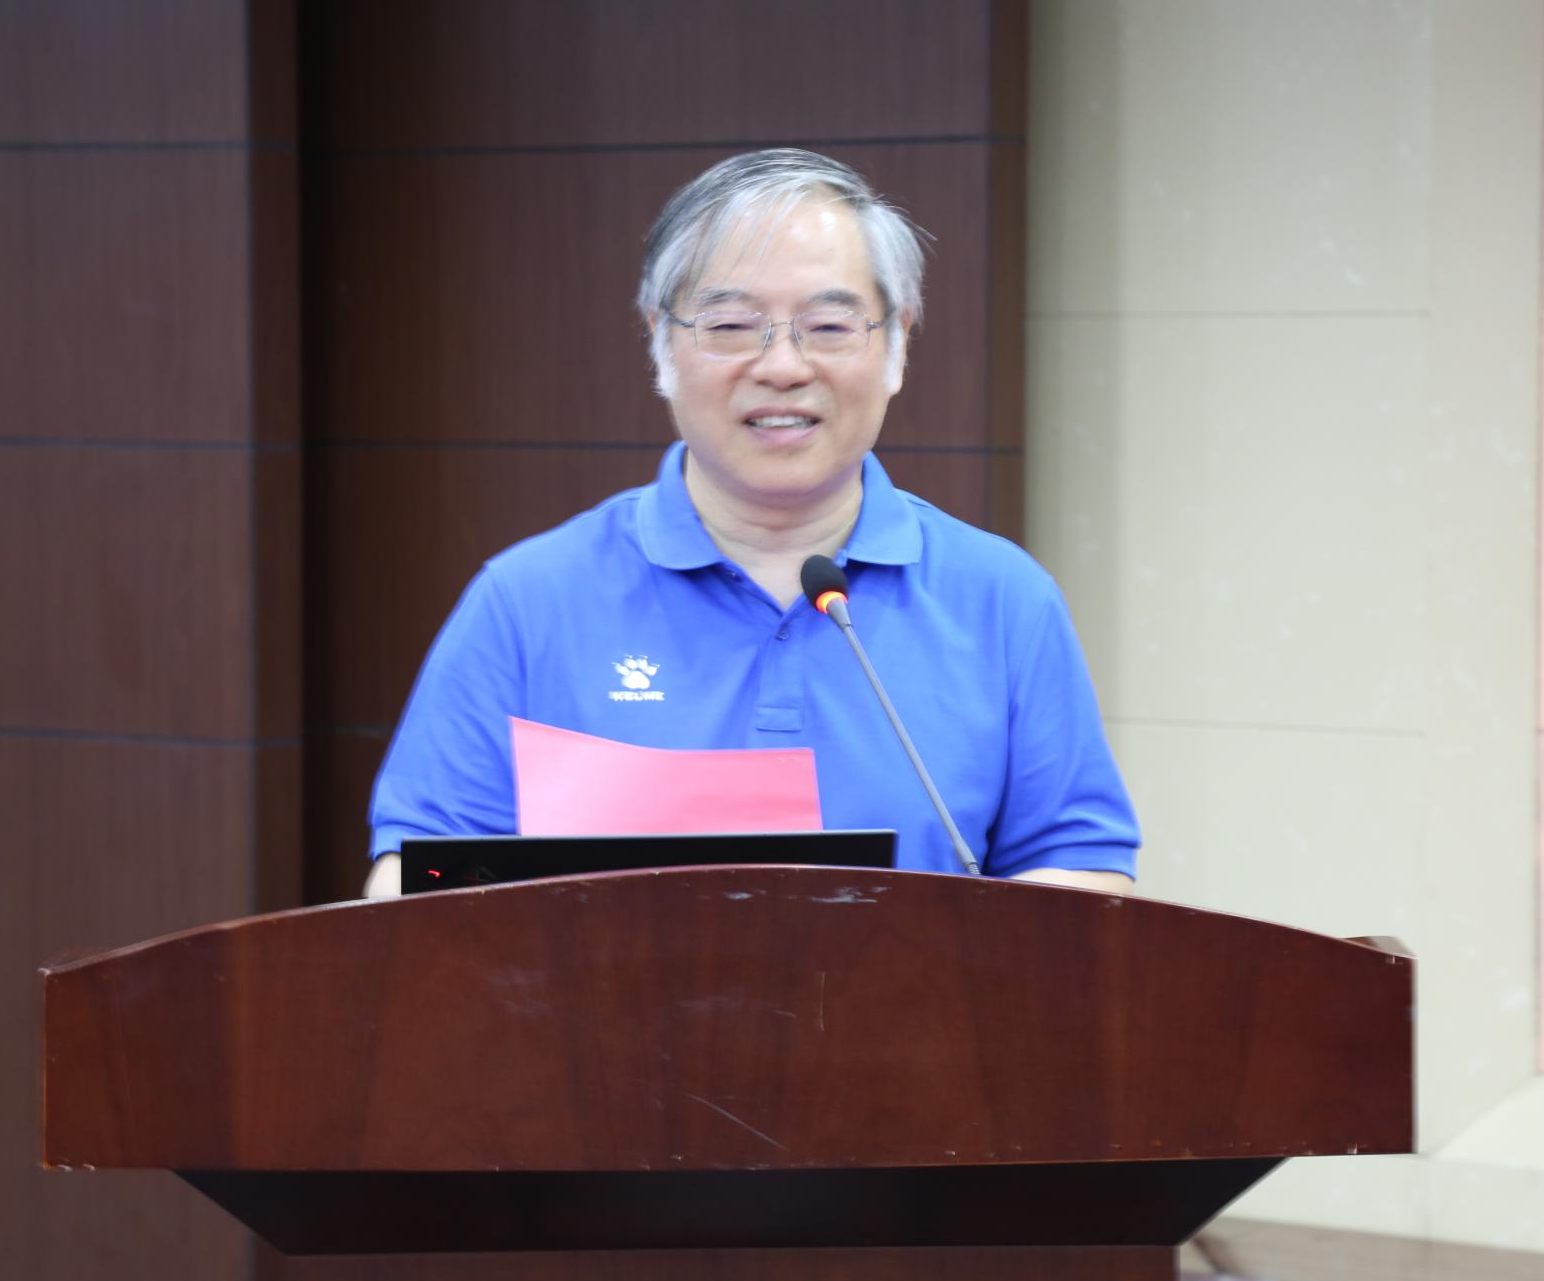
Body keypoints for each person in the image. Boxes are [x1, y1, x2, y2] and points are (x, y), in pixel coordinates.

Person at [362, 149, 1137, 898]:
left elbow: (1079, 864)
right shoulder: (529, 600)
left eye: (829, 327)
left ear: (897, 344)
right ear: (660, 342)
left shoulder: (1002, 599)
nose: (783, 367)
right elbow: (416, 876)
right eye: (732, 325)